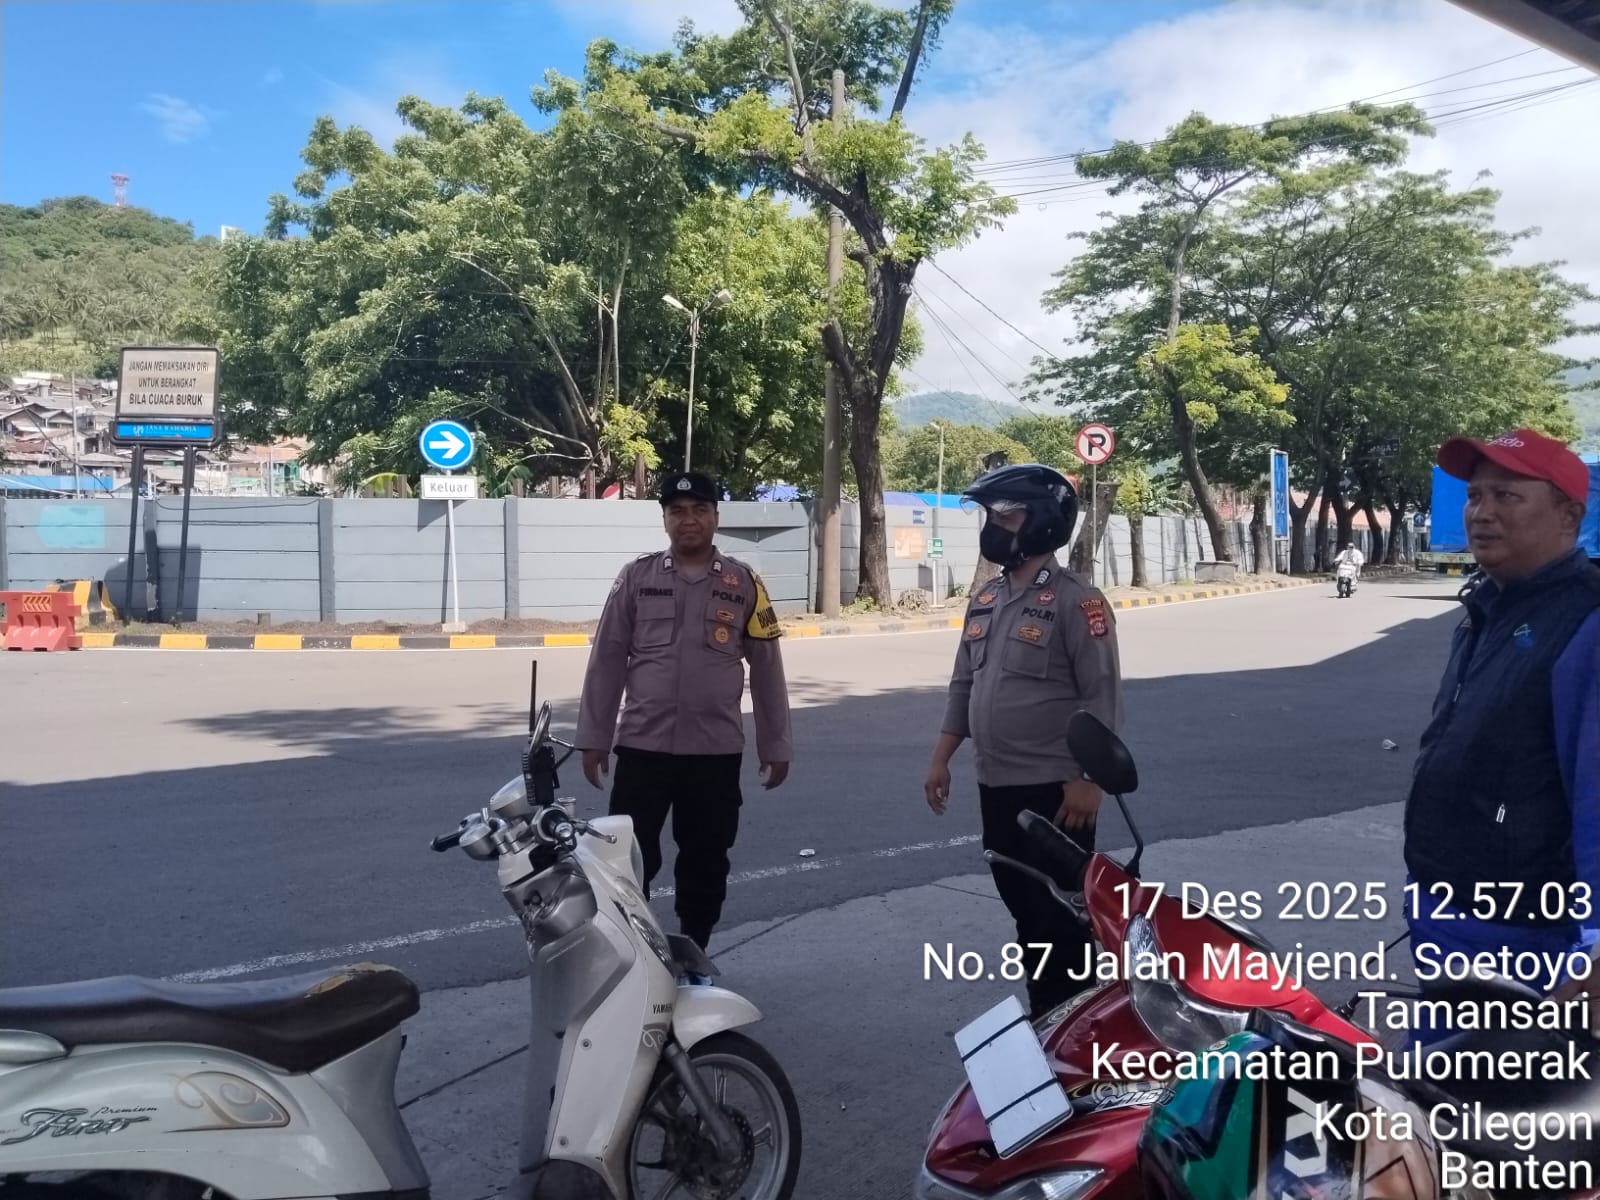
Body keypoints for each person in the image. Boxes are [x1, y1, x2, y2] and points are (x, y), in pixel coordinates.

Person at [1400, 429, 1599, 1018]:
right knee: (1438, 1064)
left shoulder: (1586, 622)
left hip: (1530, 934)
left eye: (1507, 496)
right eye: (1474, 496)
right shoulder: (1488, 605)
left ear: (1569, 516)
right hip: (1448, 909)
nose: (1481, 513)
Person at [925, 463, 1125, 1020]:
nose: (994, 528)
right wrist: (941, 758)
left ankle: (1076, 1026)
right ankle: (1049, 1018)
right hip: (996, 785)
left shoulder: (1077, 601)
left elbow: (1102, 694)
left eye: (1005, 517)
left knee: (1061, 921)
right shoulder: (986, 598)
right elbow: (963, 683)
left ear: (1041, 522)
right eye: (991, 518)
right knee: (1025, 913)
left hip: (1057, 793)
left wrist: (1090, 780)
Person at [576, 470, 793, 973]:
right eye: (677, 511)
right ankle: (637, 960)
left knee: (706, 858)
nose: (688, 519)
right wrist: (594, 738)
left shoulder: (745, 583)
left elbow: (767, 668)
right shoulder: (637, 577)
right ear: (665, 520)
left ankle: (695, 954)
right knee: (629, 861)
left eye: (699, 510)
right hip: (642, 748)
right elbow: (607, 659)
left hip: (714, 751)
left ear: (716, 517)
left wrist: (776, 744)